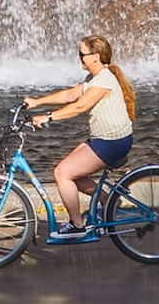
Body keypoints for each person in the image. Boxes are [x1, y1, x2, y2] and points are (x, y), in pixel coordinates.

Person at [22, 35, 137, 233]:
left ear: (96, 56)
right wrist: (37, 102)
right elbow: (70, 95)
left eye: (82, 54)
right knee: (71, 172)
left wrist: (47, 117)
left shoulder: (104, 80)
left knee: (62, 173)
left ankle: (77, 225)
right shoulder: (94, 77)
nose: (79, 58)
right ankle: (108, 201)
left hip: (112, 142)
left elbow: (78, 107)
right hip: (105, 140)